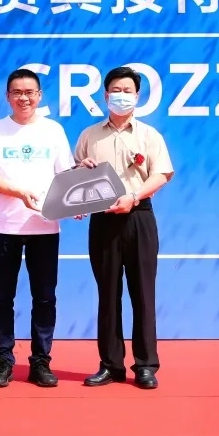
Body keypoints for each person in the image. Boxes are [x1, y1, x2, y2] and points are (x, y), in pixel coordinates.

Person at [0, 67, 75, 388]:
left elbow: (66, 176)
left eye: (29, 92)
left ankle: (40, 362)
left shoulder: (53, 131)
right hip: (4, 227)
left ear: (39, 95)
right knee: (2, 299)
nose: (24, 98)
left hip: (44, 227)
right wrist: (19, 193)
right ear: (8, 97)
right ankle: (3, 360)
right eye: (17, 92)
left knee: (44, 298)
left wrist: (76, 203)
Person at [73, 66, 174, 390]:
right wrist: (81, 173)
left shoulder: (149, 135)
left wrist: (133, 196)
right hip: (103, 220)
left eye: (127, 91)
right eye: (115, 90)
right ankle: (110, 364)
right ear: (105, 95)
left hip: (139, 216)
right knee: (108, 294)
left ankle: (145, 365)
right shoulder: (90, 135)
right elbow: (75, 177)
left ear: (137, 96)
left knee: (143, 293)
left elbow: (162, 174)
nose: (121, 96)